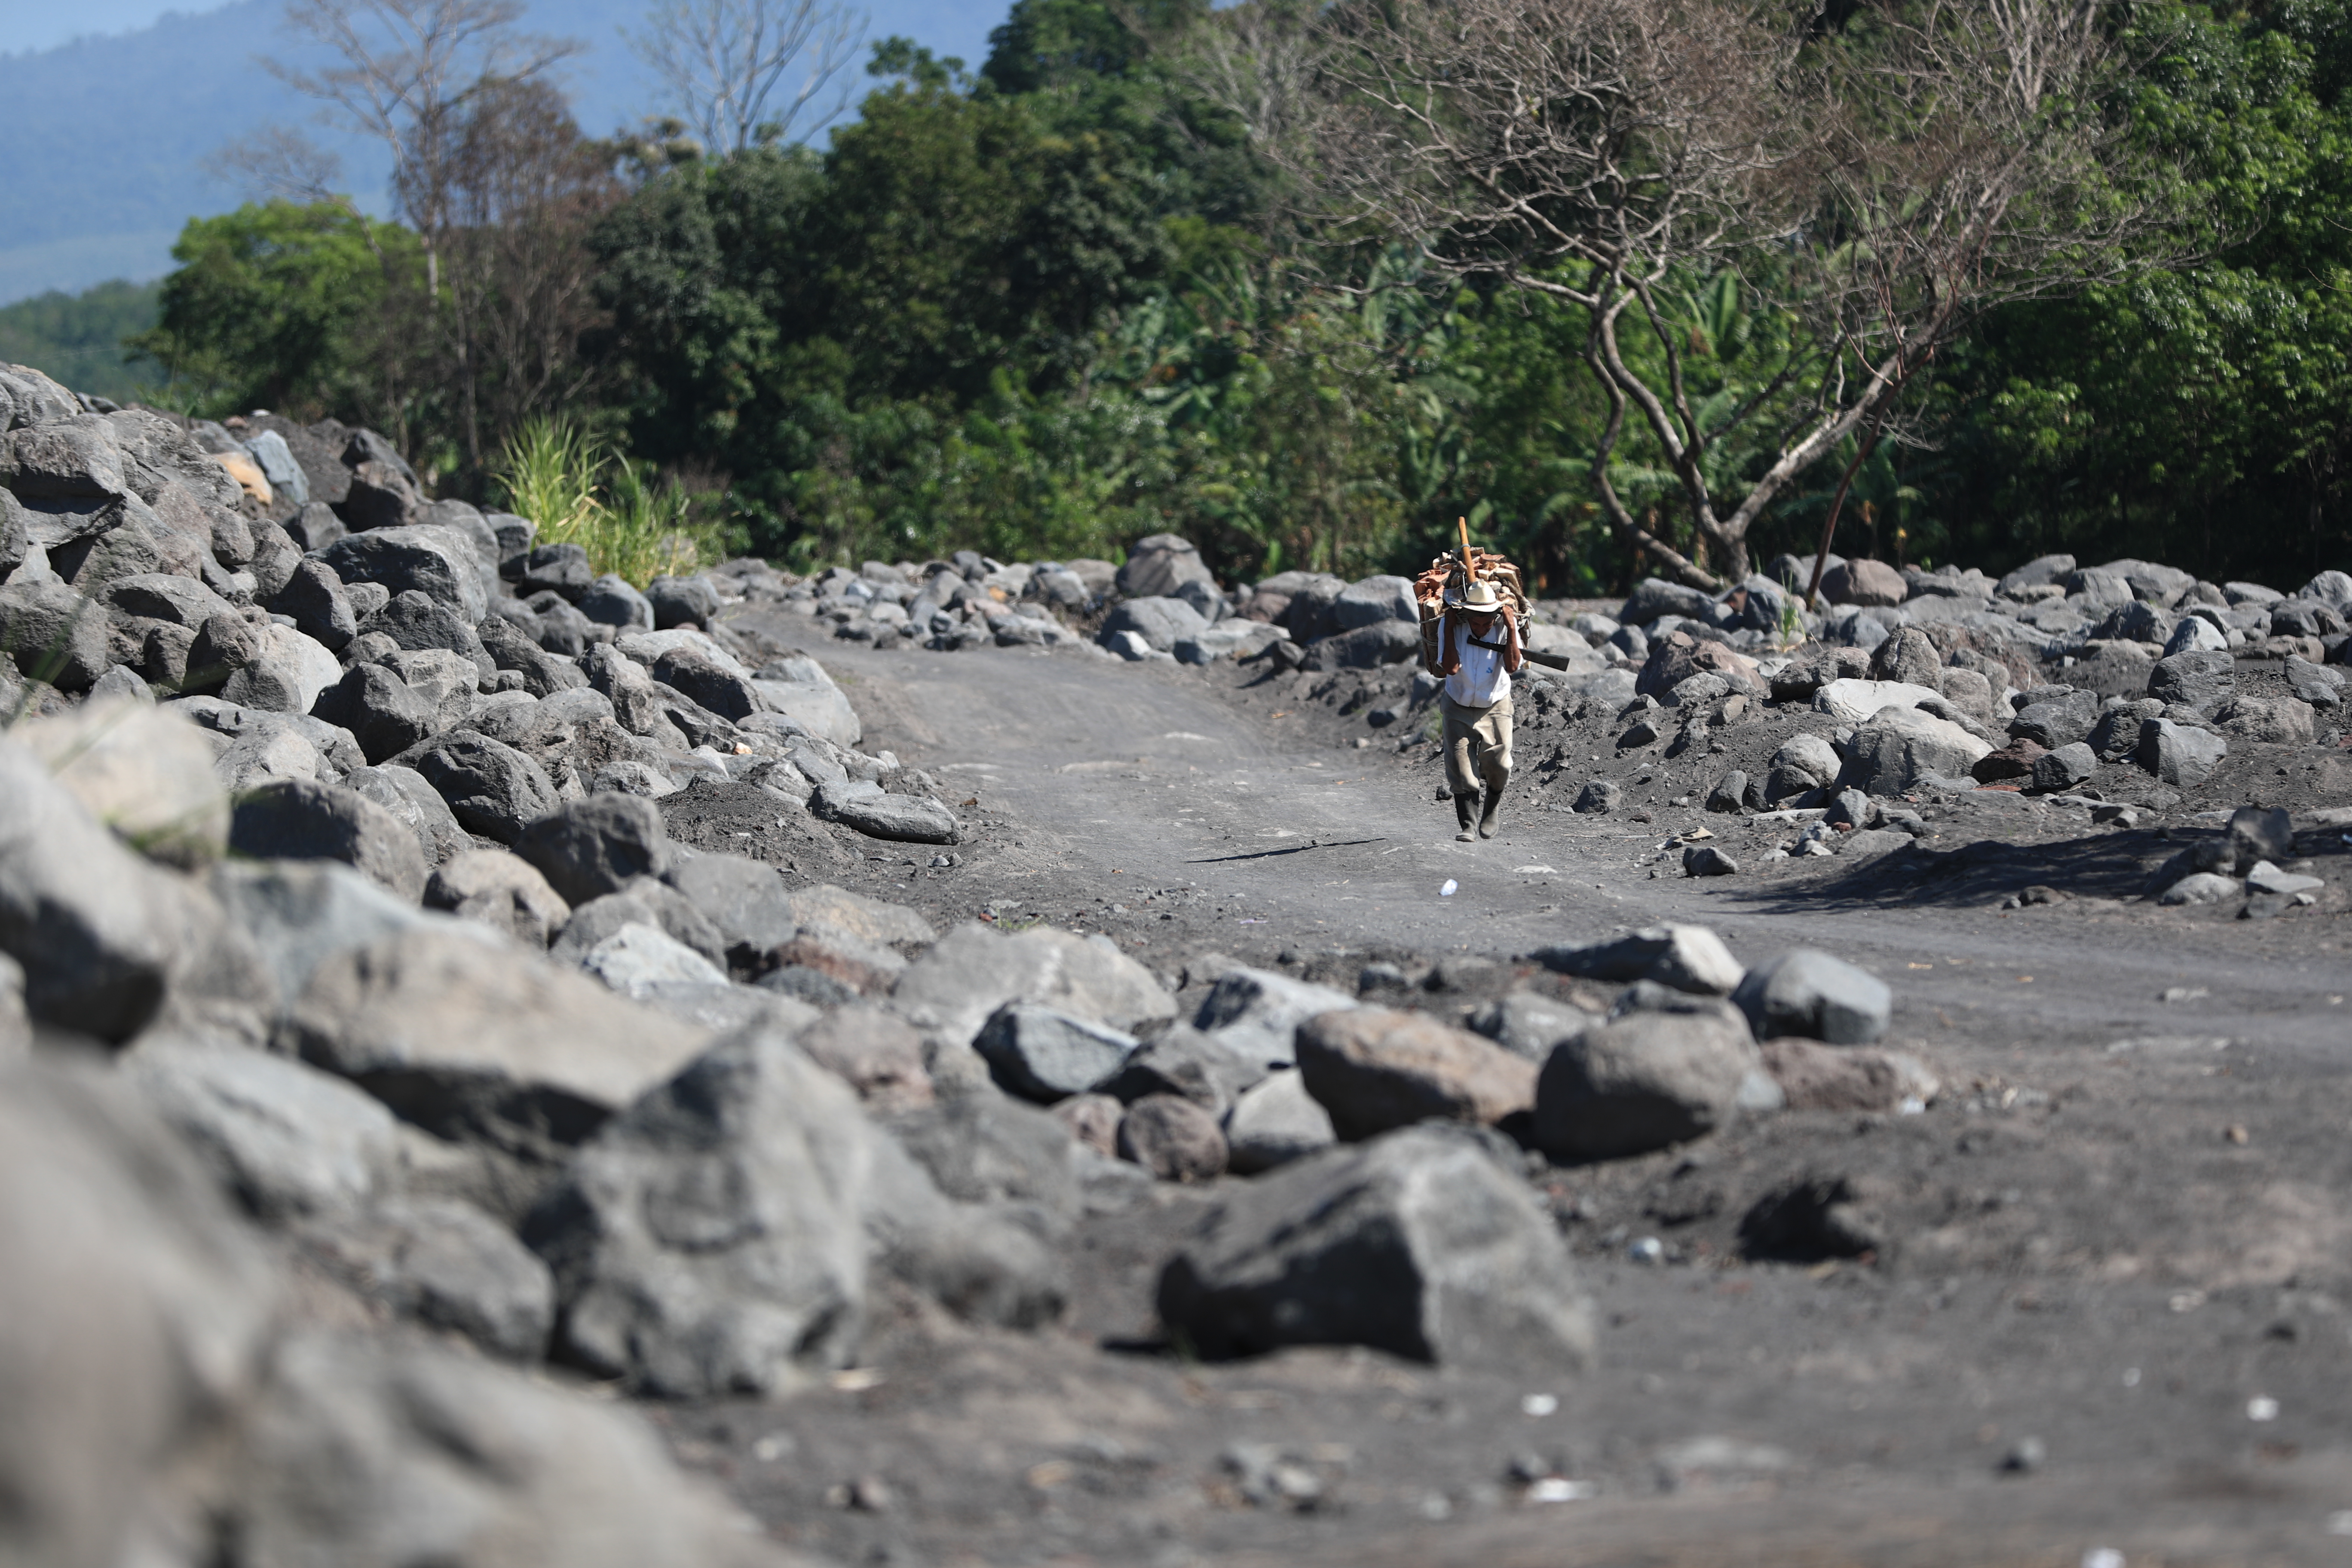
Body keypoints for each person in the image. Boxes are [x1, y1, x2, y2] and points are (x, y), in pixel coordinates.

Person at [1435, 578, 1524, 840]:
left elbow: (1512, 666)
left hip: (1495, 703)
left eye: (1487, 623)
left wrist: (1511, 626)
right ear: (1466, 616)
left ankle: (1491, 811)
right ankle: (1468, 826)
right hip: (1457, 704)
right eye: (1476, 623)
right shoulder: (1451, 626)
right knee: (1461, 770)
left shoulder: (1504, 625)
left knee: (1500, 764)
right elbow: (1451, 668)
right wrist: (1449, 627)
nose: (1482, 629)